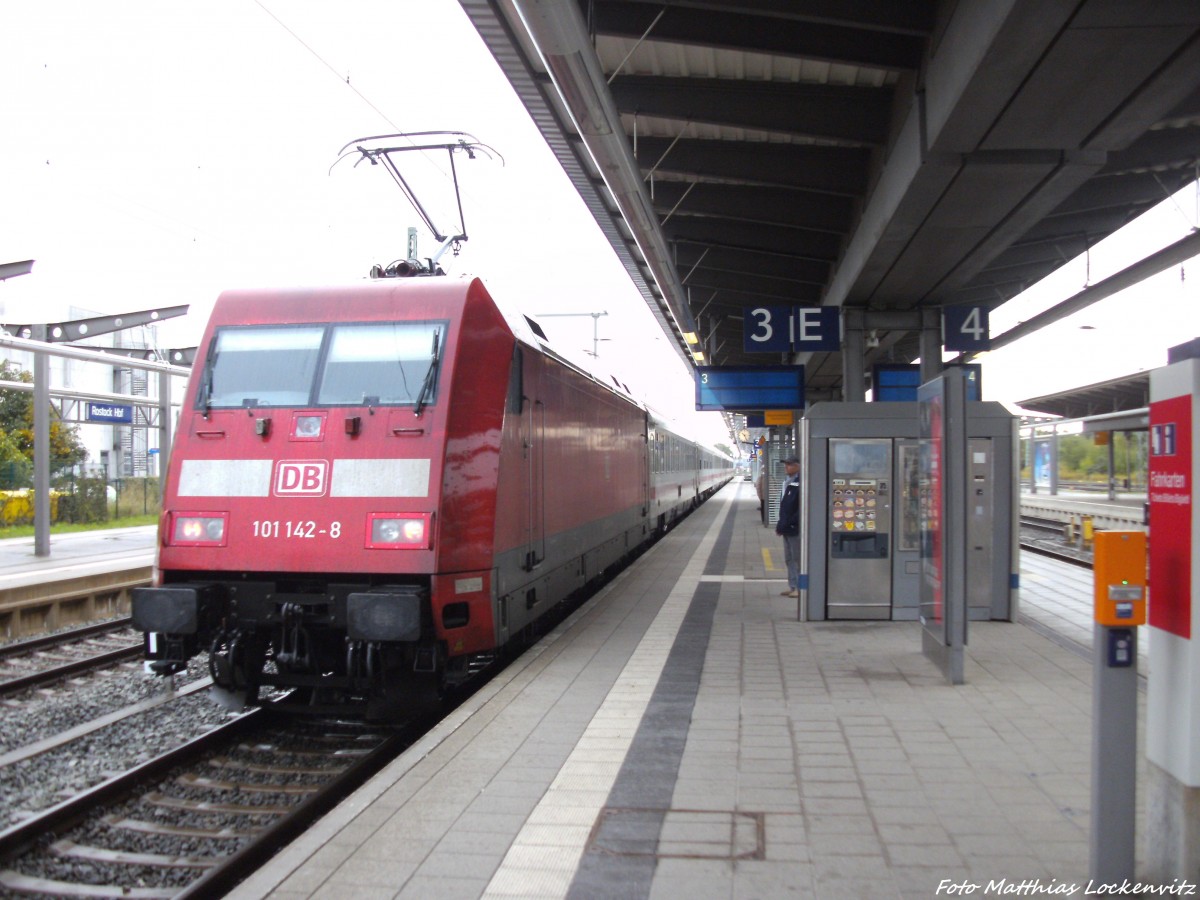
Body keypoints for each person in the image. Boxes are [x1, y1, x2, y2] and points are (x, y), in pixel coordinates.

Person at [775, 454, 801, 598]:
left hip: (795, 528)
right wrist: (781, 525)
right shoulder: (788, 481)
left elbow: (800, 509)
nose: (786, 467)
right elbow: (784, 507)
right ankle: (792, 586)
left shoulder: (800, 482)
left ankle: (799, 588)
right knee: (789, 558)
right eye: (786, 464)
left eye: (789, 464)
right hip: (787, 527)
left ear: (798, 466)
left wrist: (790, 523)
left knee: (797, 559)